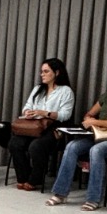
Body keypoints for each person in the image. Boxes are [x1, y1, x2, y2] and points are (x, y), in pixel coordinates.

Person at [45, 63, 107, 209]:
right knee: (72, 146)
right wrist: (91, 120)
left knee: (97, 150)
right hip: (96, 136)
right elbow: (89, 114)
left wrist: (97, 121)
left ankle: (93, 198)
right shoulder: (106, 96)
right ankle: (60, 193)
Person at [7, 57, 76, 190]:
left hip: (53, 126)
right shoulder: (38, 88)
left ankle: (35, 179)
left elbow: (65, 115)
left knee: (36, 146)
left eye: (46, 71)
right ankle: (23, 177)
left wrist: (45, 113)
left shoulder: (66, 91)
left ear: (56, 73)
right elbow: (27, 106)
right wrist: (27, 112)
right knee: (15, 143)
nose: (42, 74)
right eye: (41, 72)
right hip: (33, 125)